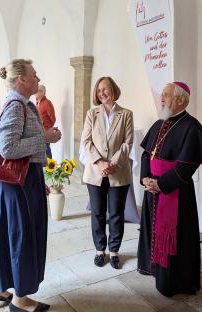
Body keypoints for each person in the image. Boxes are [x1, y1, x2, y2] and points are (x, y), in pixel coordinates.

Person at [0, 59, 61, 312]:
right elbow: (8, 148)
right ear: (21, 80)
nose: (38, 78)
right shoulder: (16, 105)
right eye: (34, 75)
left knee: (9, 234)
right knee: (22, 237)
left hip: (20, 180)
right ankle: (21, 300)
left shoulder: (21, 103)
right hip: (17, 184)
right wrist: (44, 137)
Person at [137, 82, 202, 297]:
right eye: (162, 94)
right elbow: (145, 154)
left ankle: (172, 281)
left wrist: (161, 184)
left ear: (181, 100)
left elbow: (186, 166)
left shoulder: (192, 127)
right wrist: (145, 178)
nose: (162, 98)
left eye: (166, 95)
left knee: (175, 238)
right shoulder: (160, 123)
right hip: (152, 189)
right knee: (151, 230)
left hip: (174, 192)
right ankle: (152, 267)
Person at [81, 76, 134, 269]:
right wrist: (101, 162)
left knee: (116, 214)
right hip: (96, 171)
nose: (102, 93)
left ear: (113, 90)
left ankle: (114, 251)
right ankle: (99, 250)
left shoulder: (126, 114)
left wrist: (112, 163)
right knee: (97, 213)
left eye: (106, 89)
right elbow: (86, 141)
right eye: (99, 90)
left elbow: (128, 143)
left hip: (118, 171)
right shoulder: (91, 114)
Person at [35, 84, 56, 158]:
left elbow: (53, 119)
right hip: (38, 132)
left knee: (47, 151)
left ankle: (50, 168)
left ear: (42, 92)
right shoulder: (37, 103)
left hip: (46, 132)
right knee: (41, 151)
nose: (35, 92)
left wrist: (47, 128)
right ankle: (44, 168)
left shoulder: (47, 103)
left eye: (37, 91)